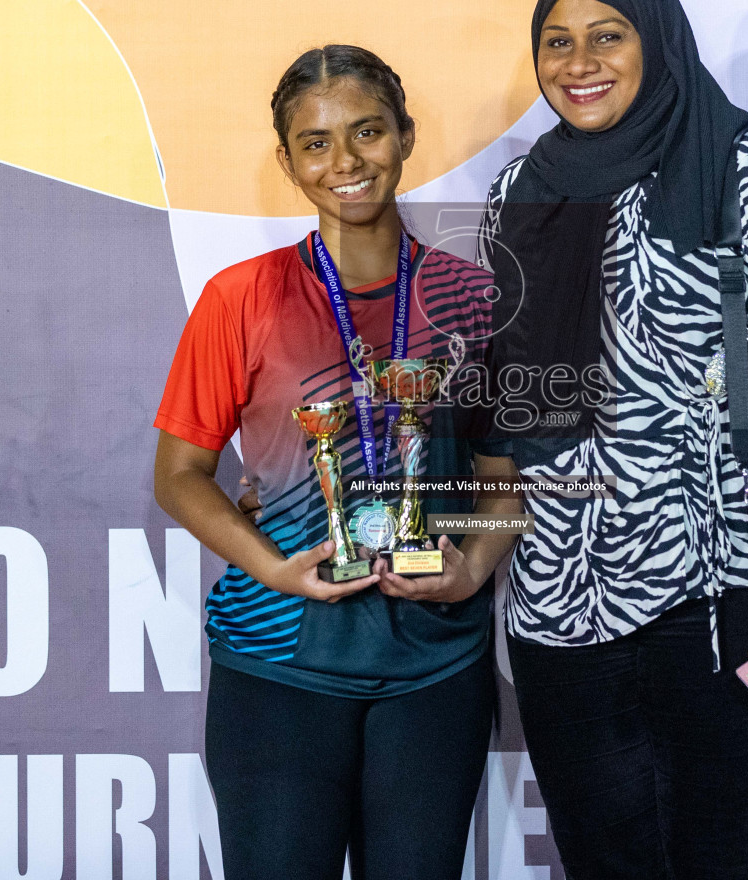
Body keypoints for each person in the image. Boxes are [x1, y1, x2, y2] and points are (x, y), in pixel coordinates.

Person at [477, 0, 748, 880]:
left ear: (655, 40)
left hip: (724, 602)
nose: (580, 62)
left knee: (717, 863)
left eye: (606, 36)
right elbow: (510, 421)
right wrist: (444, 547)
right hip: (559, 613)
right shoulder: (519, 196)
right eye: (557, 41)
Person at [152, 44, 519, 880]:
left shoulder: (474, 300)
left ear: (405, 136)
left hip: (435, 668)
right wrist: (277, 570)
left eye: (367, 132)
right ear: (287, 161)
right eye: (316, 143)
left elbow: (503, 485)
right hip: (278, 665)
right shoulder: (240, 299)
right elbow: (179, 475)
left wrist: (469, 572)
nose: (346, 162)